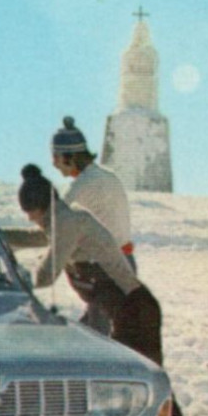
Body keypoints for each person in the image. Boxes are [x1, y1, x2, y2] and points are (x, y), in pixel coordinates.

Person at [18, 165, 204, 416]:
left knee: (147, 388)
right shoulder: (63, 218)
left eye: (30, 214)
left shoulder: (68, 222)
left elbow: (46, 273)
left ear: (38, 207)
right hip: (128, 312)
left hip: (135, 312)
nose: (31, 220)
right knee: (141, 388)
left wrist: (13, 279)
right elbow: (39, 238)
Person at [48, 116, 133, 335]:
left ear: (69, 157)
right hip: (124, 263)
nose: (53, 163)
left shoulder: (82, 184)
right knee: (93, 327)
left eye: (55, 157)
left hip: (102, 269)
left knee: (97, 335)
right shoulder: (107, 176)